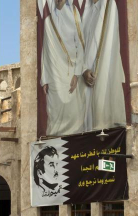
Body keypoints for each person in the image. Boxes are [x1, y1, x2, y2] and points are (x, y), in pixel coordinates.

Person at [40, 0, 87, 136]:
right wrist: (45, 78)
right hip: (54, 74)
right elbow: (46, 50)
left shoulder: (73, 13)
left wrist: (77, 73)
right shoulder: (49, 20)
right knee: (54, 112)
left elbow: (80, 44)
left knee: (73, 112)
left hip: (70, 72)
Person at [82, 0, 126, 130]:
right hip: (84, 75)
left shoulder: (108, 5)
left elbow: (107, 46)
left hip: (100, 72)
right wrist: (83, 69)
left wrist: (95, 70)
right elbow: (82, 45)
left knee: (101, 116)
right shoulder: (87, 10)